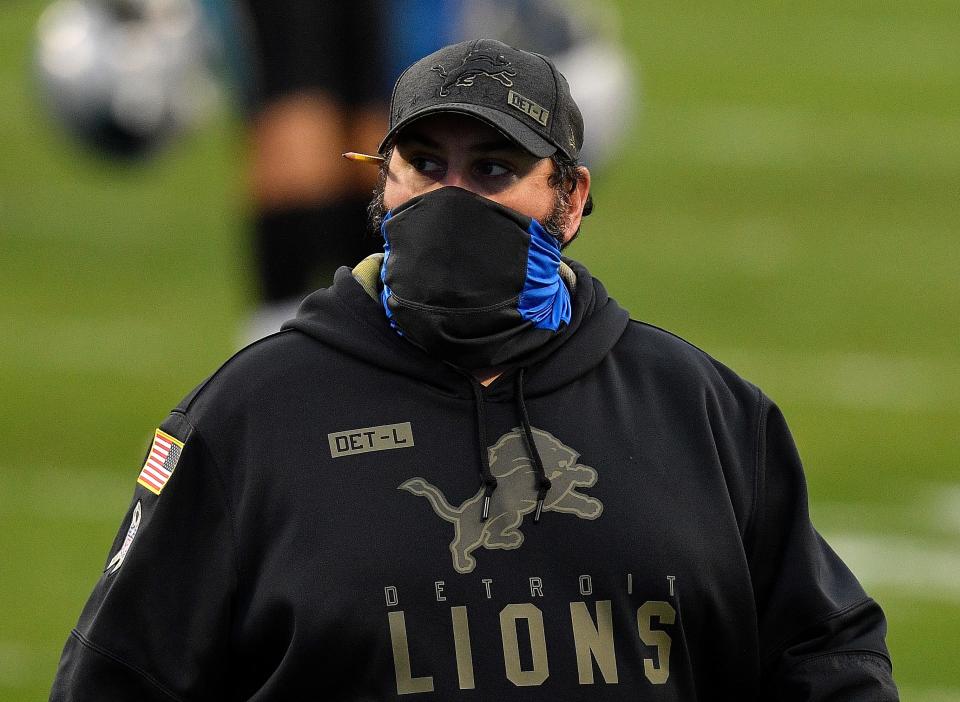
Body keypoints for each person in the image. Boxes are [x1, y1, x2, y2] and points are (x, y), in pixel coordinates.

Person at [51, 39, 899, 700]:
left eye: (493, 169)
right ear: (379, 186)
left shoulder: (702, 412)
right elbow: (121, 677)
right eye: (424, 165)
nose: (453, 198)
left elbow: (827, 658)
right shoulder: (251, 419)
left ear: (570, 199)